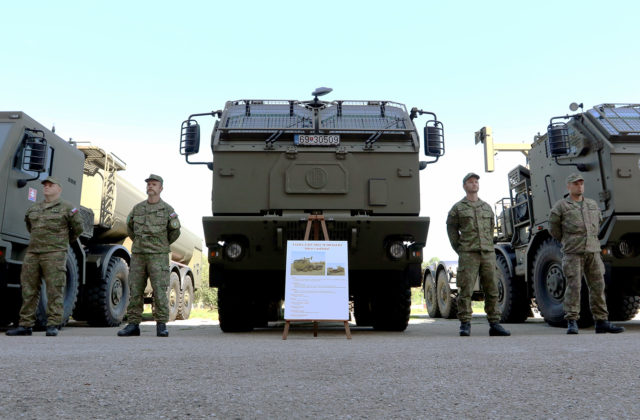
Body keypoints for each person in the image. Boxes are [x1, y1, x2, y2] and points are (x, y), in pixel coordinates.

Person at [6, 177, 84, 337]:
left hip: (55, 253)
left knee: (54, 289)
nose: (46, 187)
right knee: (28, 289)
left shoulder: (67, 208)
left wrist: (61, 242)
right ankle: (25, 325)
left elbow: (78, 229)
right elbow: (30, 226)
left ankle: (53, 324)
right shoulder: (34, 208)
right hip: (33, 253)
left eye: (50, 185)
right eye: (45, 185)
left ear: (59, 189)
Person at [549, 173, 624, 335]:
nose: (579, 186)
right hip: (573, 252)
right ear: (568, 186)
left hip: (593, 251)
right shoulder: (561, 206)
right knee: (574, 287)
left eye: (581, 183)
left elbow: (598, 223)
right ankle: (572, 321)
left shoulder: (592, 204)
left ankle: (601, 321)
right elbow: (554, 229)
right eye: (575, 184)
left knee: (598, 286)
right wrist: (567, 241)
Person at [446, 173, 510, 337]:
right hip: (468, 253)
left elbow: (490, 228)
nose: (474, 184)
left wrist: (487, 245)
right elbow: (451, 230)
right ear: (464, 186)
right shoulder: (458, 208)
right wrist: (461, 248)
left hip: (487, 253)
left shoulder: (486, 207)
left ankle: (495, 324)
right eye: (470, 182)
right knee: (466, 289)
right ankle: (465, 324)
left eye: (476, 182)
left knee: (492, 288)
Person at [118, 174, 181, 337]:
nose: (150, 186)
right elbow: (130, 228)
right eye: (149, 184)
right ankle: (133, 325)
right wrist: (139, 243)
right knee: (136, 289)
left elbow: (174, 232)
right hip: (139, 254)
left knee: (160, 291)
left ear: (161, 188)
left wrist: (161, 244)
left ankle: (161, 325)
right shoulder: (138, 209)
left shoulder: (167, 210)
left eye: (154, 184)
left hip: (158, 255)